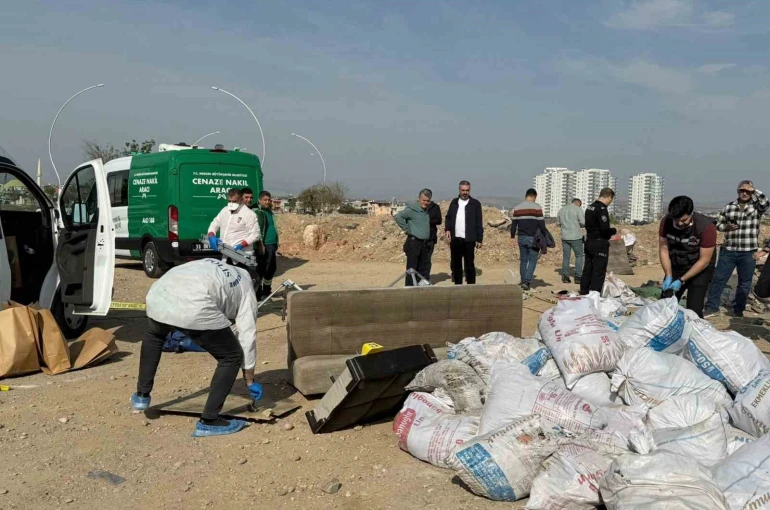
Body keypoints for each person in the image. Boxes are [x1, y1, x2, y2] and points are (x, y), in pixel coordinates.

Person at [131, 258, 259, 437]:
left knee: (155, 335)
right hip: (195, 304)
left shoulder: (216, 264)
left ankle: (141, 396)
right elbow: (247, 334)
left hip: (159, 292)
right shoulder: (247, 287)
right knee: (231, 356)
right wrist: (250, 378)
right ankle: (210, 421)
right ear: (255, 281)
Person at [705, 181, 769, 318]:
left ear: (752, 193)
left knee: (744, 283)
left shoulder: (756, 208)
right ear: (737, 191)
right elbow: (718, 224)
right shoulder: (729, 207)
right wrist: (726, 227)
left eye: (748, 191)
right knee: (719, 279)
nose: (744, 193)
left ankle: (738, 310)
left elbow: (765, 202)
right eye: (742, 190)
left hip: (748, 251)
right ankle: (711, 307)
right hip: (729, 250)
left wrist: (755, 189)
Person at [658, 196, 717, 318]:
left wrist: (681, 280)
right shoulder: (666, 222)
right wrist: (669, 275)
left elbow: (704, 260)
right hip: (677, 264)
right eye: (676, 220)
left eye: (683, 220)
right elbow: (664, 249)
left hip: (699, 269)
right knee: (665, 304)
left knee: (693, 310)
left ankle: (695, 333)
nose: (679, 223)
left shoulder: (706, 227)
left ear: (691, 213)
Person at [207, 188, 261, 287]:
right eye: (229, 201)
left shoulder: (249, 214)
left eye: (234, 201)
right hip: (226, 254)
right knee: (228, 285)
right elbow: (215, 223)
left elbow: (256, 234)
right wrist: (211, 235)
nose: (231, 203)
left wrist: (242, 244)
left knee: (245, 285)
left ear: (241, 200)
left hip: (242, 256)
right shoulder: (225, 210)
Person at [445, 181, 483, 285]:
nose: (465, 192)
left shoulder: (475, 204)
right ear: (459, 190)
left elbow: (479, 222)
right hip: (456, 239)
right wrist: (447, 229)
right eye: (463, 190)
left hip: (469, 239)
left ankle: (471, 286)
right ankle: (458, 286)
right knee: (456, 264)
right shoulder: (454, 202)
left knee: (469, 264)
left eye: (467, 190)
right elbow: (448, 218)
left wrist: (479, 239)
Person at [580, 188, 616, 295]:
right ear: (609, 197)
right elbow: (604, 230)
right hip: (599, 243)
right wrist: (613, 230)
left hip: (589, 241)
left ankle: (584, 292)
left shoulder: (590, 207)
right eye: (611, 199)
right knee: (598, 271)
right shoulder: (601, 209)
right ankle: (594, 295)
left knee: (587, 269)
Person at [511, 189, 548, 291]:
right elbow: (541, 224)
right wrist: (544, 236)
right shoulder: (537, 207)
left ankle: (523, 281)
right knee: (532, 260)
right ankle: (527, 282)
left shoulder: (517, 208)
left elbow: (514, 224)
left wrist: (512, 236)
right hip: (533, 238)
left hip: (521, 237)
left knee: (523, 260)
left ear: (526, 196)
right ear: (534, 197)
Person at [395, 189, 433, 286]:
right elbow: (398, 216)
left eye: (427, 201)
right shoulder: (412, 209)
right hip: (414, 243)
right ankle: (409, 289)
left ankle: (420, 289)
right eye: (423, 200)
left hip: (424, 244)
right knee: (412, 268)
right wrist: (407, 229)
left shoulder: (426, 210)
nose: (425, 202)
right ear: (419, 199)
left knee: (423, 267)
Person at [253, 191, 279, 300]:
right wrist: (260, 243)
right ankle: (258, 293)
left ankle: (267, 290)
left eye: (268, 200)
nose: (267, 202)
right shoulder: (258, 212)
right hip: (264, 245)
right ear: (259, 200)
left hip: (272, 244)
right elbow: (257, 230)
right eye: (265, 200)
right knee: (261, 268)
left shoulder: (269, 211)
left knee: (271, 268)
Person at [556, 198, 585, 285]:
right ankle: (578, 277)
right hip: (576, 236)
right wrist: (577, 224)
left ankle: (565, 277)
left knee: (566, 256)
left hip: (565, 237)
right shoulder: (578, 209)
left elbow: (558, 223)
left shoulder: (561, 210)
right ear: (579, 204)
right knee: (579, 256)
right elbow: (583, 222)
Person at [425, 193, 442, 282]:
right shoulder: (417, 207)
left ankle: (425, 278)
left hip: (430, 238)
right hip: (417, 239)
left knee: (427, 260)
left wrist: (426, 220)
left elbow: (439, 220)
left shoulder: (435, 207)